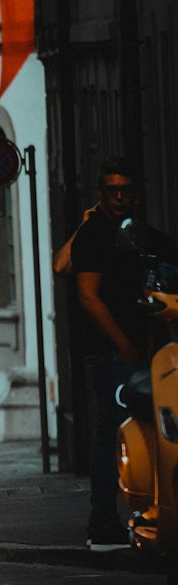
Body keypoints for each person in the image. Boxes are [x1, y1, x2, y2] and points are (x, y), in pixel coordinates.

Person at [71, 157, 177, 551]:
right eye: (111, 190)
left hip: (151, 353)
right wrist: (124, 346)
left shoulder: (149, 238)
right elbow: (88, 297)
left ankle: (155, 514)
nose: (119, 196)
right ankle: (101, 525)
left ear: (136, 193)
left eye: (125, 190)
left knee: (156, 434)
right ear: (101, 194)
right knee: (111, 433)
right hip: (110, 353)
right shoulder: (93, 234)